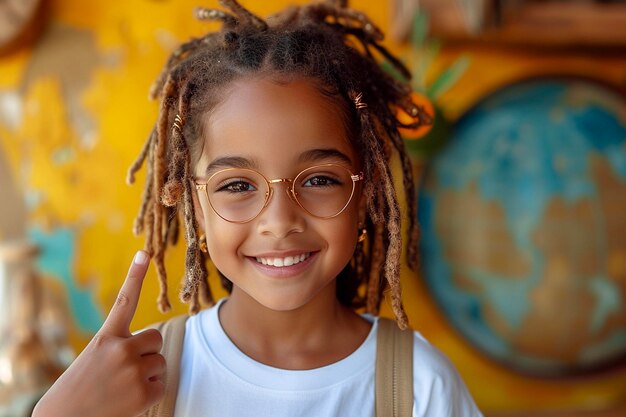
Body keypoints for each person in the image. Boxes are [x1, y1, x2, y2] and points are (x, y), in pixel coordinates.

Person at [33, 1, 483, 416]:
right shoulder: (137, 383)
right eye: (237, 185)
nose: (280, 221)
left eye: (319, 179)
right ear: (194, 205)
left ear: (365, 192)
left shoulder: (420, 386)